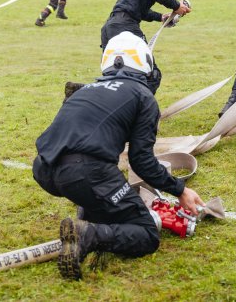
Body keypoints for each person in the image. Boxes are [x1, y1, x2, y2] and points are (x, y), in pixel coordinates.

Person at [33, 31, 204, 281]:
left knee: (95, 185)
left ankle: (90, 216)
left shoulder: (84, 89)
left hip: (44, 169)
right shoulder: (142, 95)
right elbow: (142, 161)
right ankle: (87, 234)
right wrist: (180, 190)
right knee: (146, 234)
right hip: (84, 173)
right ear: (144, 61)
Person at [100, 0, 192, 94]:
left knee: (114, 79)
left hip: (112, 27)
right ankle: (141, 113)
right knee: (150, 74)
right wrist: (176, 6)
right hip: (125, 27)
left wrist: (161, 17)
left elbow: (138, 10)